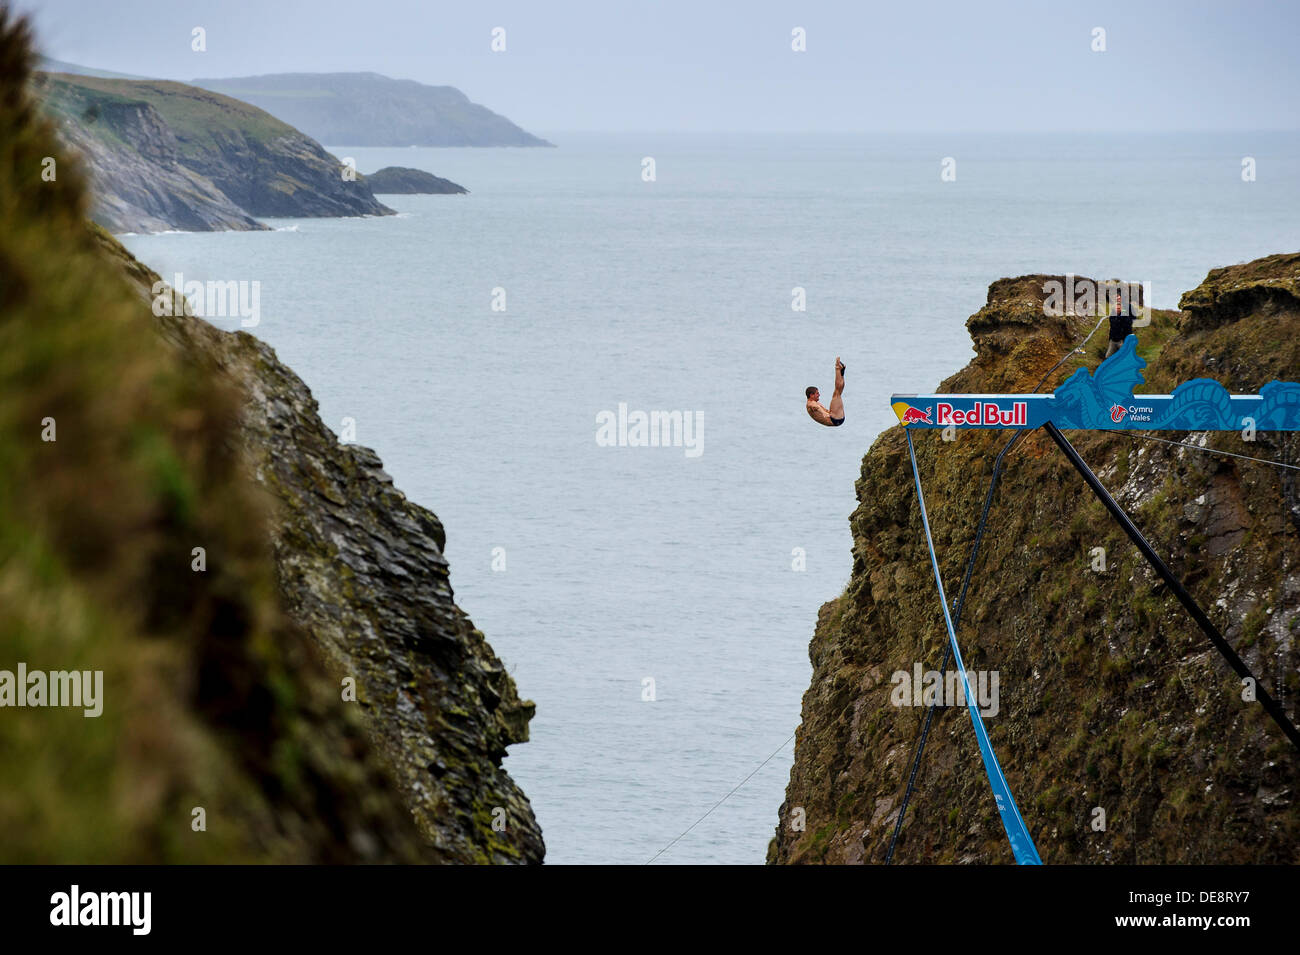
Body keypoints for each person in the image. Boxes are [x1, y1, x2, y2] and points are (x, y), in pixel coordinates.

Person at [806, 357, 846, 427]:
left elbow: (818, 407)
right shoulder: (810, 404)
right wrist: (824, 414)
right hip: (834, 419)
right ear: (811, 395)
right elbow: (816, 407)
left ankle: (841, 372)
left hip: (836, 418)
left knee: (838, 392)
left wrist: (826, 412)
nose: (819, 395)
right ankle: (838, 368)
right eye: (817, 393)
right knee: (837, 393)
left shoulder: (814, 402)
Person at [1104, 290, 1134, 359]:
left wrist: (1122, 313)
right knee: (1108, 357)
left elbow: (1129, 322)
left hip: (1123, 339)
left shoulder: (1127, 307)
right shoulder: (1114, 309)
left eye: (1119, 298)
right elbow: (1112, 322)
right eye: (1117, 298)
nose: (1118, 299)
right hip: (1113, 339)